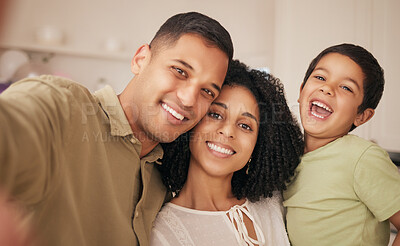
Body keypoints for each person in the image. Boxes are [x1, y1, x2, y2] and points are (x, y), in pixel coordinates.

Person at [0, 12, 233, 246]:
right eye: (180, 71)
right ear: (140, 59)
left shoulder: (164, 178)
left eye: (207, 92)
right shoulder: (61, 106)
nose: (189, 99)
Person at [150, 60, 304, 245]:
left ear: (260, 145)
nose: (228, 131)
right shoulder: (162, 233)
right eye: (215, 115)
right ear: (192, 122)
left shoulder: (275, 205)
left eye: (245, 125)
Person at [283, 43, 400, 246]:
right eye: (320, 77)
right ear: (302, 92)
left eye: (346, 87)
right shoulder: (289, 158)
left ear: (362, 116)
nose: (327, 88)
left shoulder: (362, 157)